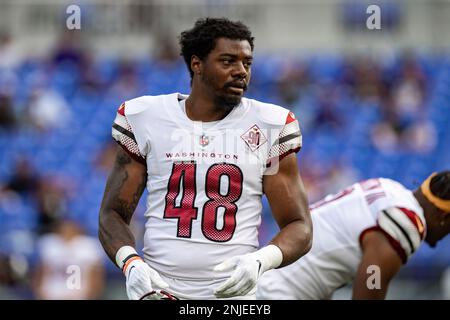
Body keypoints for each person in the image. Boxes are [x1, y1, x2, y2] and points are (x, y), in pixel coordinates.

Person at [98, 18, 312, 300]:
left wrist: (261, 260)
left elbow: (299, 225)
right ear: (196, 64)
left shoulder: (269, 125)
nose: (240, 72)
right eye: (227, 61)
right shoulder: (147, 117)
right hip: (158, 291)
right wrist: (130, 262)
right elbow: (112, 214)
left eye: (247, 63)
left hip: (232, 296)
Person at [256, 171, 450, 300]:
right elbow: (371, 284)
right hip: (279, 292)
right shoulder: (406, 221)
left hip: (264, 280)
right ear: (443, 216)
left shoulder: (389, 188)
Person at [32, 219, 105, 300]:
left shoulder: (88, 246)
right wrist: (40, 293)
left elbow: (96, 278)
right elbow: (39, 273)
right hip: (51, 295)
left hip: (80, 296)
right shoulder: (49, 244)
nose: (67, 231)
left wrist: (90, 295)